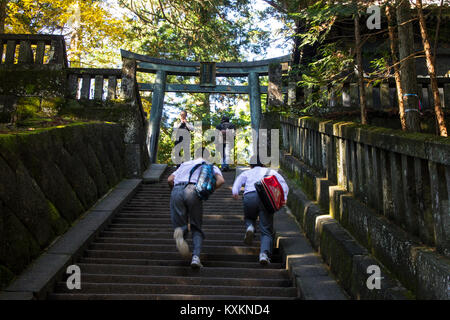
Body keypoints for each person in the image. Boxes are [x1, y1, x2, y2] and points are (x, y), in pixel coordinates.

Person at [168, 156, 225, 269]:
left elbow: (170, 179)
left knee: (180, 223)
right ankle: (196, 258)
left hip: (176, 190)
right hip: (193, 190)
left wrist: (176, 191)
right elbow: (221, 181)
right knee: (196, 226)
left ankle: (181, 232)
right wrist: (206, 191)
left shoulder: (185, 164)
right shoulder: (210, 165)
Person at [232, 162, 289, 265]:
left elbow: (237, 183)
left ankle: (250, 227)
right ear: (263, 164)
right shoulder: (270, 171)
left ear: (250, 165)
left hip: (249, 197)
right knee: (266, 229)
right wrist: (284, 198)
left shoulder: (247, 173)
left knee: (249, 217)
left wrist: (235, 192)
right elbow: (283, 184)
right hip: (265, 199)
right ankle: (264, 254)